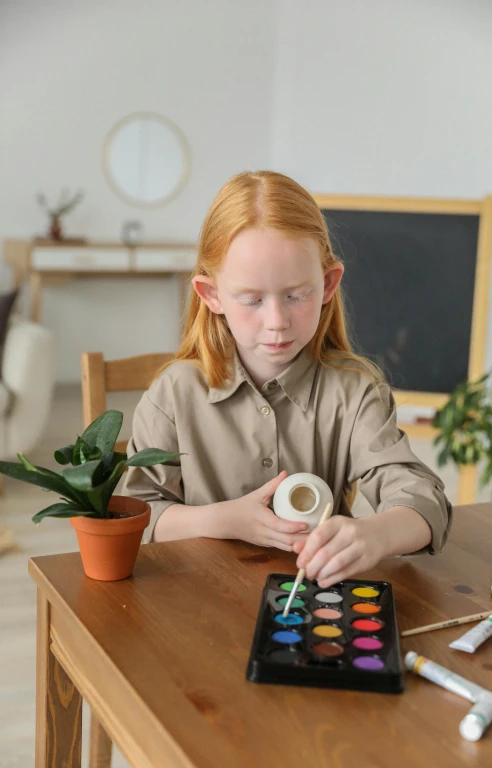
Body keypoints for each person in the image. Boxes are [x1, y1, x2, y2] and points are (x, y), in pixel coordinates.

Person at [123, 170, 451, 588]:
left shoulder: (354, 391)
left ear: (328, 284)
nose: (277, 322)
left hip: (317, 606)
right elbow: (135, 512)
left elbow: (424, 500)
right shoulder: (174, 393)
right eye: (252, 299)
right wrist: (226, 520)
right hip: (198, 607)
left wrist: (375, 534)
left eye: (297, 295)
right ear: (212, 295)